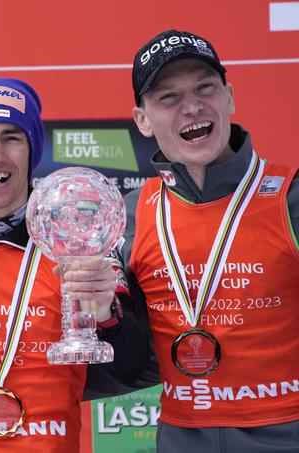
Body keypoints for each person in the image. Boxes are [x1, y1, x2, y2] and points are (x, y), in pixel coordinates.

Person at [0, 77, 151, 452]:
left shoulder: (77, 238)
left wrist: (106, 313)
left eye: (12, 137)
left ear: (32, 149)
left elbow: (132, 364)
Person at [125, 29, 299, 452]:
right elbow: (123, 355)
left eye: (206, 87)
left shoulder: (291, 195)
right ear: (142, 120)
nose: (192, 106)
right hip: (182, 438)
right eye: (167, 97)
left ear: (230, 98)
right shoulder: (130, 213)